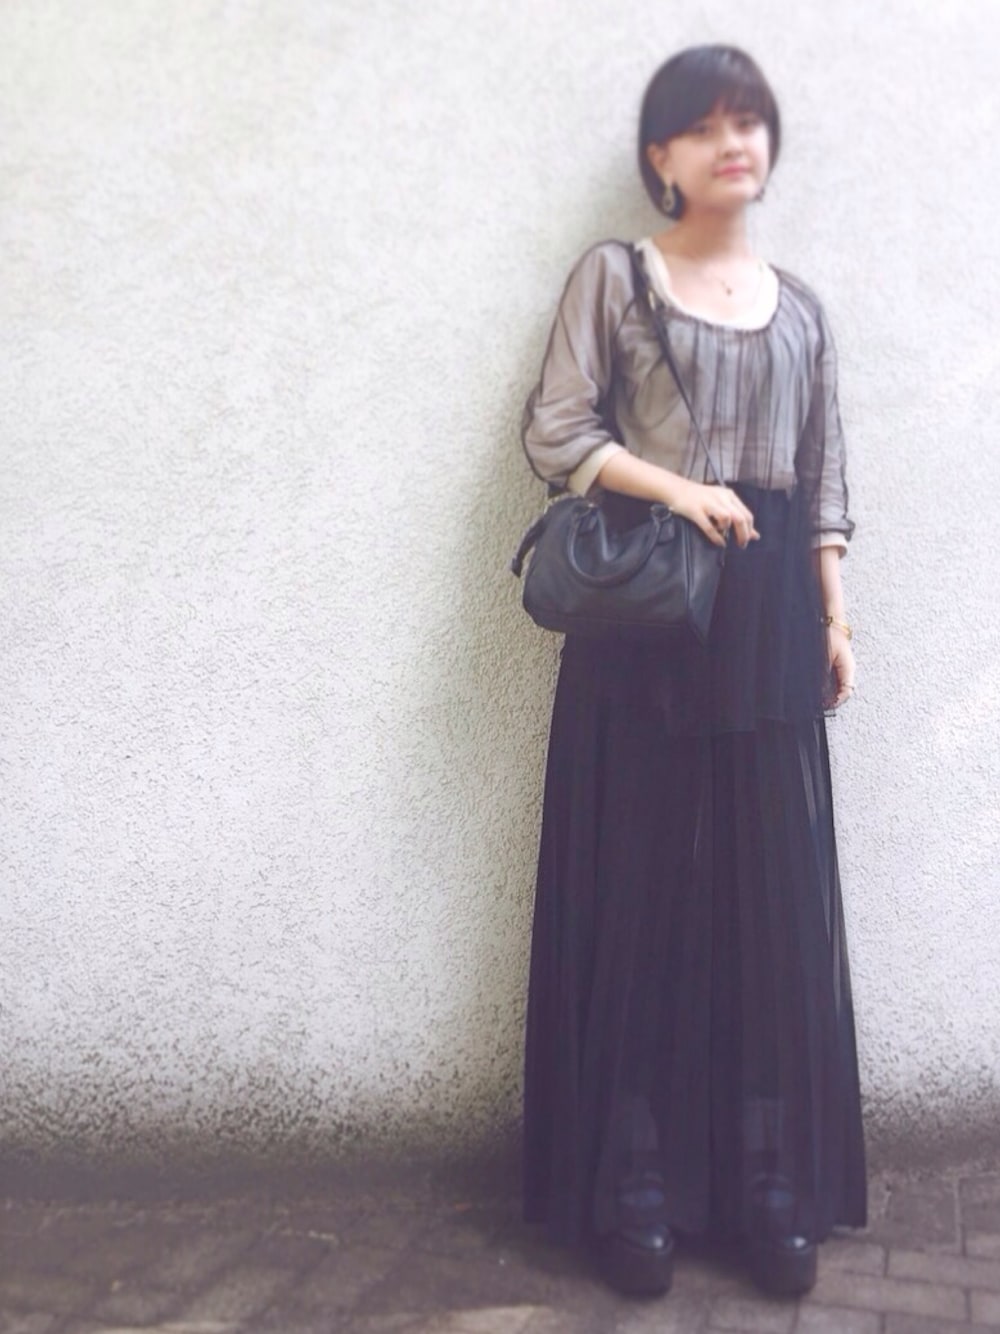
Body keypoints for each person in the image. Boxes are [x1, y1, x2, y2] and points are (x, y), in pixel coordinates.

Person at [519, 45, 867, 1300]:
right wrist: (679, 490)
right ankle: (636, 1178)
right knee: (643, 896)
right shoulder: (617, 278)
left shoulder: (802, 309)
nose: (735, 142)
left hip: (768, 620)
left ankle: (769, 1179)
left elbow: (824, 477)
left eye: (750, 121)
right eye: (707, 125)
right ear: (658, 155)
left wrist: (835, 617)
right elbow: (557, 430)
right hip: (653, 615)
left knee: (764, 908)